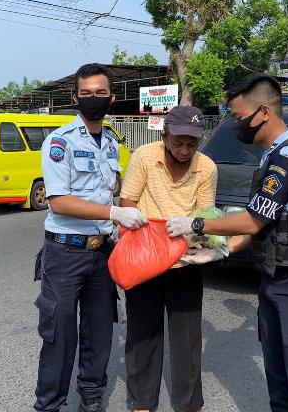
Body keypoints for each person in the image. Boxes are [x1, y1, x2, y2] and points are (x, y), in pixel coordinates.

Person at [166, 73, 288, 411]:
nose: (236, 124)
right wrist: (223, 250)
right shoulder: (270, 157)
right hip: (276, 281)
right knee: (281, 387)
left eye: (239, 117)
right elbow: (263, 225)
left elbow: (252, 219)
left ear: (264, 113)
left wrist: (197, 223)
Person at [34, 63, 148, 412]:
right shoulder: (60, 142)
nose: (93, 99)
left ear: (111, 98)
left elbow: (106, 192)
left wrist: (117, 224)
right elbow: (60, 200)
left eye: (100, 93)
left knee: (100, 329)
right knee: (60, 334)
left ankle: (92, 393)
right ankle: (49, 404)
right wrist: (113, 213)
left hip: (102, 253)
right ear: (75, 98)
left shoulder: (112, 142)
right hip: (65, 253)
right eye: (86, 94)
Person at [118, 105, 217, 412]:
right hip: (145, 260)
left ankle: (188, 405)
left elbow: (205, 216)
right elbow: (127, 203)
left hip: (185, 262)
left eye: (192, 143)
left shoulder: (207, 167)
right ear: (164, 135)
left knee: (187, 341)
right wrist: (150, 237)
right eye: (178, 141)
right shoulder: (145, 157)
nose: (185, 149)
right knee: (142, 335)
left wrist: (197, 242)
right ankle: (142, 403)